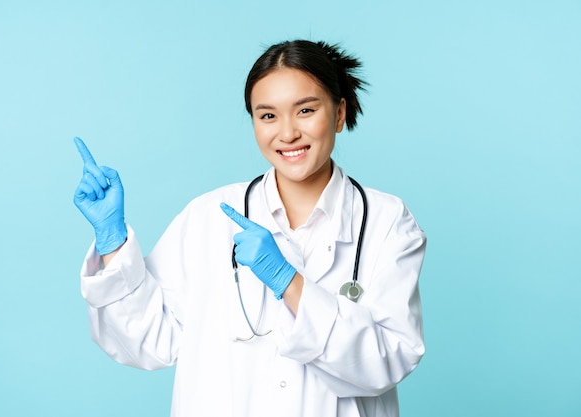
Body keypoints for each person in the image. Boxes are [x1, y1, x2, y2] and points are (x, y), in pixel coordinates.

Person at [73, 39, 426, 417]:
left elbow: (390, 360)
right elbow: (148, 342)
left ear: (339, 113)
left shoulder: (387, 221)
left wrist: (289, 282)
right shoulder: (208, 216)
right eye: (268, 116)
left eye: (305, 110)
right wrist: (112, 242)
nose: (287, 133)